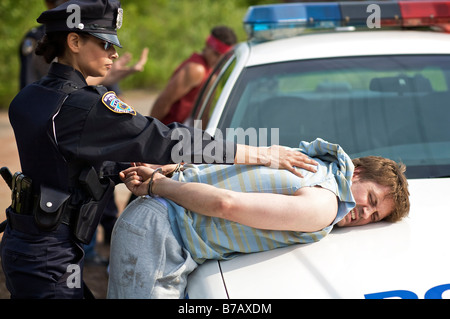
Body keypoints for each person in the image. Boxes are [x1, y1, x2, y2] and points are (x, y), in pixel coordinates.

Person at [1, 0, 316, 299]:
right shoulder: (82, 106)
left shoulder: (31, 97)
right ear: (74, 41)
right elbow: (168, 139)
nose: (113, 53)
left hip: (27, 241)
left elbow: (60, 157)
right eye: (105, 44)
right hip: (51, 253)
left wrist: (118, 169)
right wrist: (261, 154)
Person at [107, 138, 410, 299]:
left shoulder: (311, 161)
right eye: (370, 199)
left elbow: (227, 176)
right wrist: (158, 184)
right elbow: (227, 204)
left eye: (375, 215)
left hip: (153, 227)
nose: (365, 214)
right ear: (357, 173)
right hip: (160, 237)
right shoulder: (325, 205)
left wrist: (169, 171)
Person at [150, 26, 237, 125]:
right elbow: (164, 101)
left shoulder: (211, 72)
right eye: (216, 54)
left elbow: (203, 113)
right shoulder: (196, 69)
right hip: (168, 131)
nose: (218, 61)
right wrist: (149, 131)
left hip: (184, 133)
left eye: (223, 58)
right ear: (208, 45)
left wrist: (201, 138)